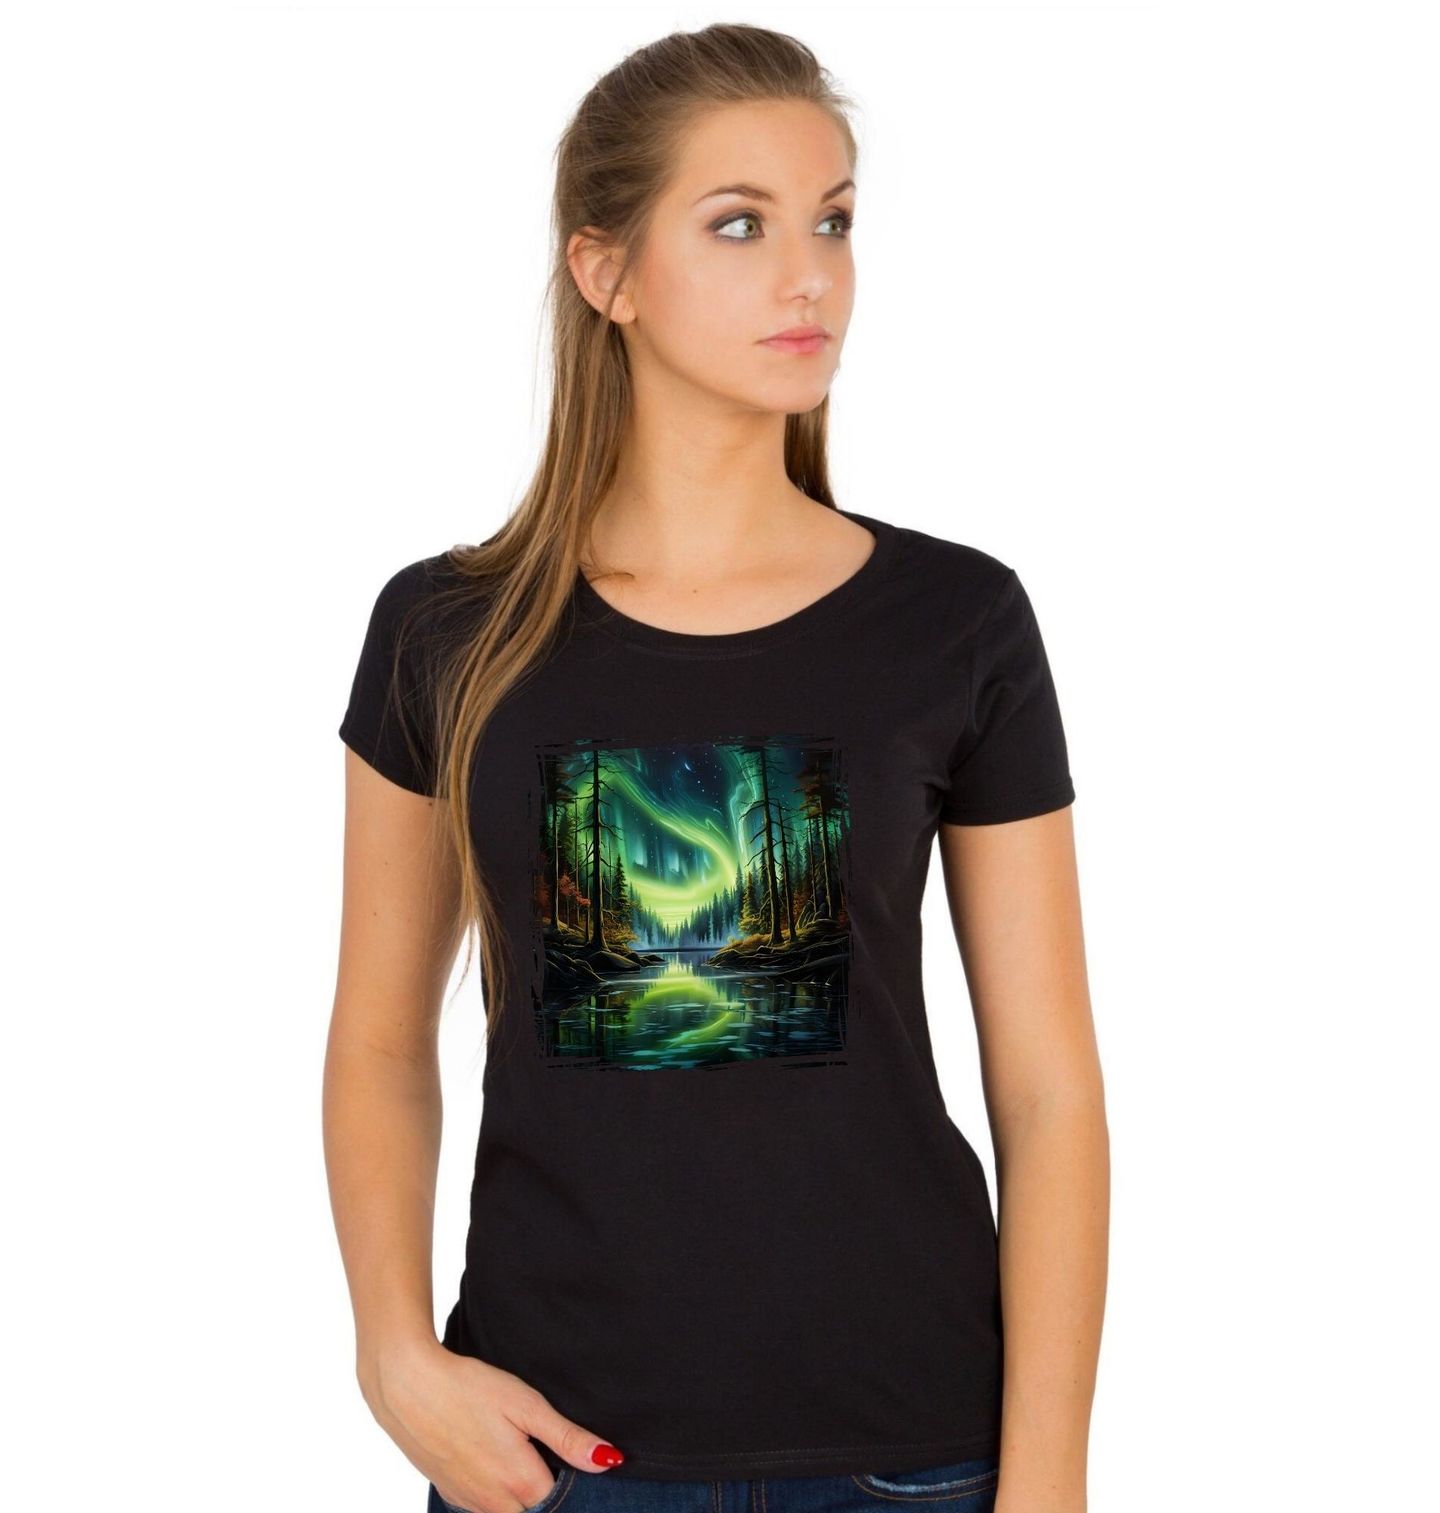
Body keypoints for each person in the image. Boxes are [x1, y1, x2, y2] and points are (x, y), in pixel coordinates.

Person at [325, 22, 1107, 1513]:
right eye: (740, 225)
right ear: (605, 272)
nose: (810, 275)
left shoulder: (955, 621)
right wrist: (393, 1355)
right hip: (552, 1455)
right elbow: (376, 1039)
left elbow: (1050, 1087)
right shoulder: (448, 629)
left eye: (835, 221)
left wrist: (1051, 1478)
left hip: (910, 1452)